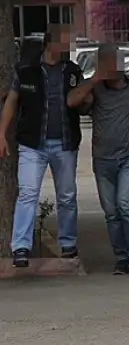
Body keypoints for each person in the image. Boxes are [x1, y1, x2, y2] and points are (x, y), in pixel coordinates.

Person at [67, 43, 129, 276]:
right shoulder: (96, 89)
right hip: (103, 159)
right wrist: (94, 79)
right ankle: (122, 259)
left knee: (127, 205)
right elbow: (73, 102)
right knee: (111, 212)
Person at [0, 25, 84, 267]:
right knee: (28, 194)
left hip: (65, 143)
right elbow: (11, 101)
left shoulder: (72, 71)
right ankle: (20, 247)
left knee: (67, 195)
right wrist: (2, 133)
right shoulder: (26, 70)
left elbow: (82, 100)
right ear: (50, 43)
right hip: (32, 144)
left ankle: (68, 244)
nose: (67, 47)